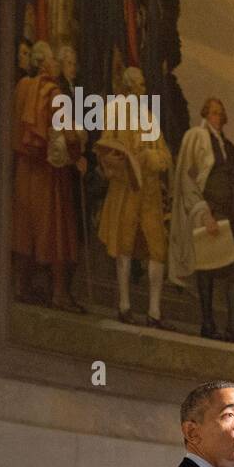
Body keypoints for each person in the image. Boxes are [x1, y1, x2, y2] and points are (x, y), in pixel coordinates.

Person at [170, 97, 234, 344]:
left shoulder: (229, 147)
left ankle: (233, 326)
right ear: (206, 115)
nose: (218, 117)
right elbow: (188, 178)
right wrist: (203, 212)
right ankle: (207, 323)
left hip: (231, 214)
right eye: (214, 112)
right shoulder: (196, 138)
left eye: (221, 113)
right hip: (210, 211)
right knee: (206, 268)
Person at [11, 40, 87, 311]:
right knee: (56, 229)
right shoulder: (54, 93)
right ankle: (59, 294)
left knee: (25, 228)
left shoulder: (21, 88)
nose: (56, 64)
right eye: (54, 60)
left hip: (24, 170)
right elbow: (66, 135)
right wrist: (78, 151)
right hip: (48, 172)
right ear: (45, 64)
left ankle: (21, 286)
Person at [95, 67, 174, 329]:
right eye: (137, 86)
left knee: (157, 249)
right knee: (124, 245)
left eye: (142, 86)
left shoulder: (150, 119)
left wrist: (153, 159)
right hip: (126, 189)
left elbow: (165, 156)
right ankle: (124, 306)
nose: (141, 90)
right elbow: (105, 149)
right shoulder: (114, 112)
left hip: (149, 192)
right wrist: (122, 162)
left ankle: (154, 311)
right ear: (128, 88)